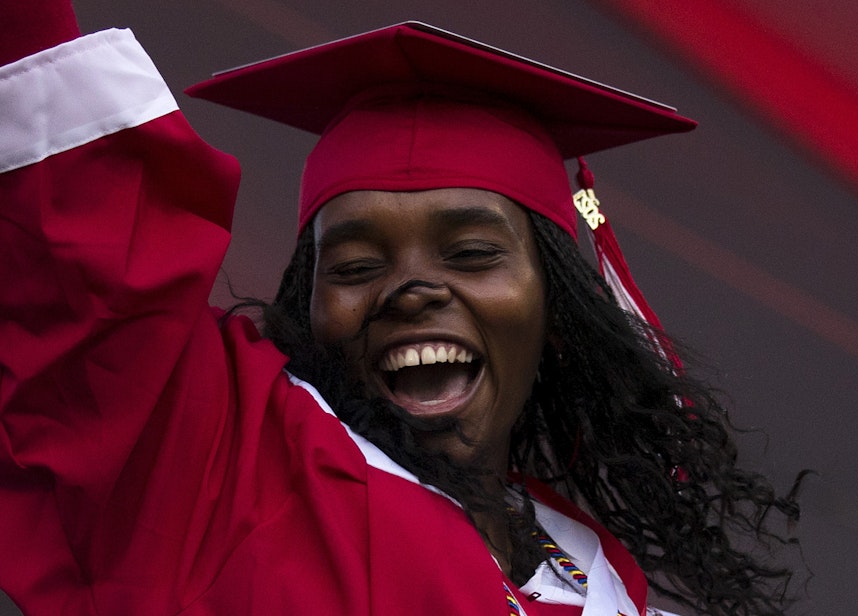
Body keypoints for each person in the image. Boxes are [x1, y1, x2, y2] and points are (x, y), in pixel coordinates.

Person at [0, 2, 802, 615]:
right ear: (307, 306)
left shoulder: (592, 573)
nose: (412, 289)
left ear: (558, 312)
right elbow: (86, 262)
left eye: (472, 252)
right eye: (355, 264)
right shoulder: (226, 467)